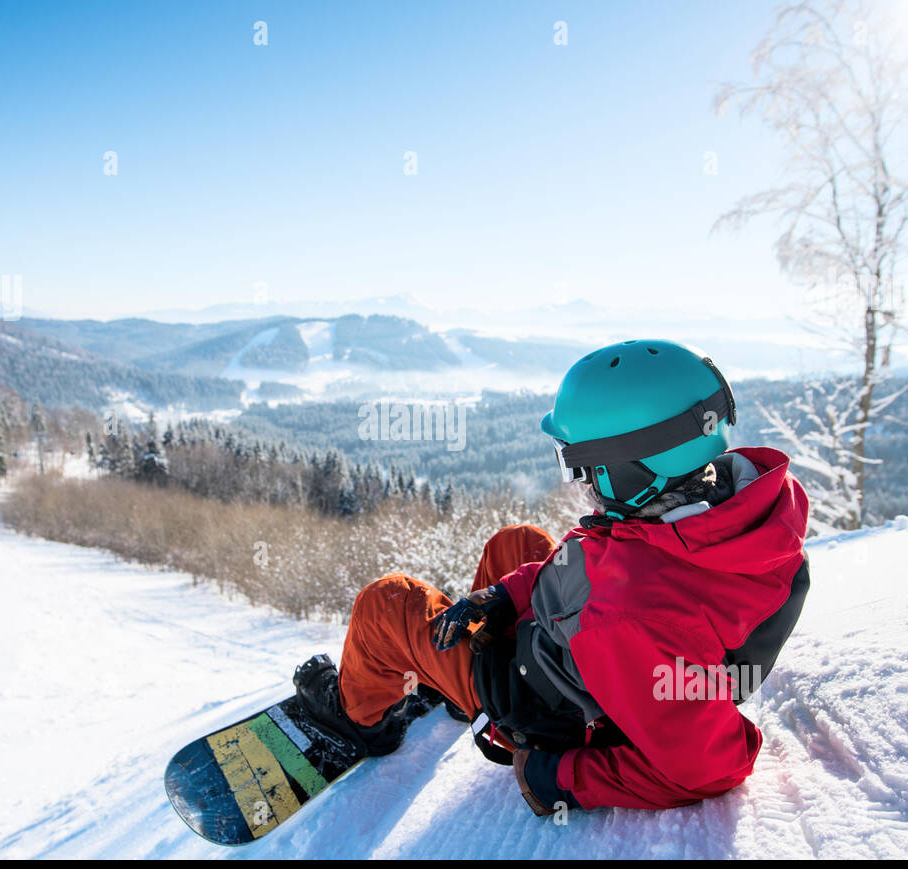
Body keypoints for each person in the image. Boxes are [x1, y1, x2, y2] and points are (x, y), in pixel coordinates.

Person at [294, 340, 811, 814]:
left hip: (541, 701)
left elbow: (709, 767)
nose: (577, 480)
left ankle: (358, 720)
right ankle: (447, 673)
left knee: (386, 602)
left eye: (578, 464)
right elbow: (603, 566)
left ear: (625, 469)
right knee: (515, 542)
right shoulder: (739, 509)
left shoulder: (629, 614)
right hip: (585, 655)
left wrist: (558, 778)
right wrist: (505, 593)